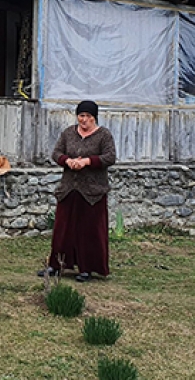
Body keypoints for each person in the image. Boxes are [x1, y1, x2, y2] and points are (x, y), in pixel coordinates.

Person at [38, 100, 116, 282]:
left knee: (88, 230)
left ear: (94, 118)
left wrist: (87, 162)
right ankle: (56, 265)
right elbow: (56, 153)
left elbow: (110, 157)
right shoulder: (68, 133)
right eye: (81, 116)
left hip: (92, 192)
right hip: (68, 188)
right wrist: (68, 161)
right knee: (62, 229)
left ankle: (86, 268)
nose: (84, 120)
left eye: (88, 117)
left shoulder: (104, 135)